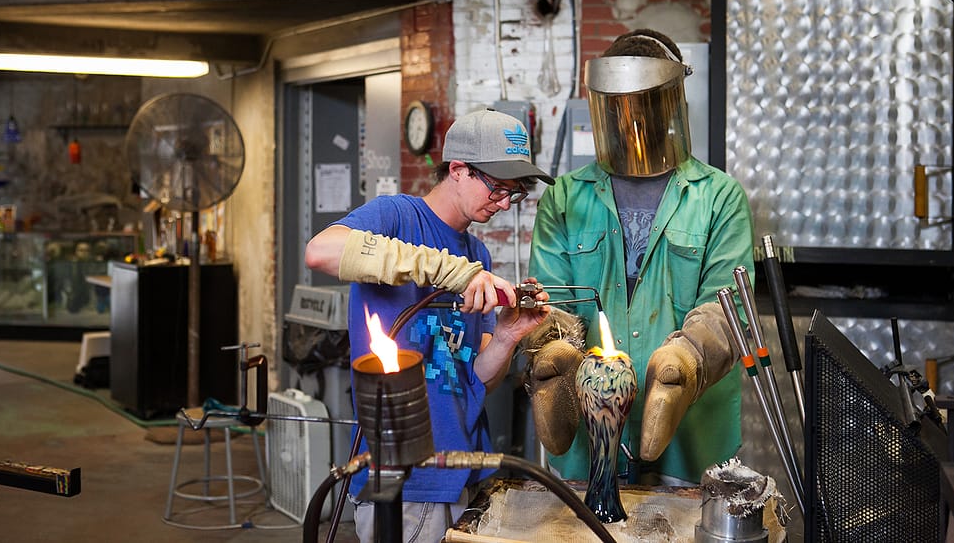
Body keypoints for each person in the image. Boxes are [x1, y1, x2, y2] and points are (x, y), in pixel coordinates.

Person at [304, 108, 554, 543]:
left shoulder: (479, 254)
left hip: (463, 467)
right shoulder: (396, 218)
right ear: (457, 169)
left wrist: (510, 335)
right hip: (407, 480)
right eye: (497, 188)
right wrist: (445, 269)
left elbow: (471, 379)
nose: (502, 203)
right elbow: (320, 251)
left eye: (514, 194)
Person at [526, 29, 755, 486]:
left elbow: (728, 308)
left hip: (690, 447)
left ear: (669, 104)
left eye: (642, 104)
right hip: (589, 446)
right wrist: (553, 350)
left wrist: (685, 362)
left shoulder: (719, 197)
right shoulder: (565, 198)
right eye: (617, 106)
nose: (630, 120)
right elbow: (550, 300)